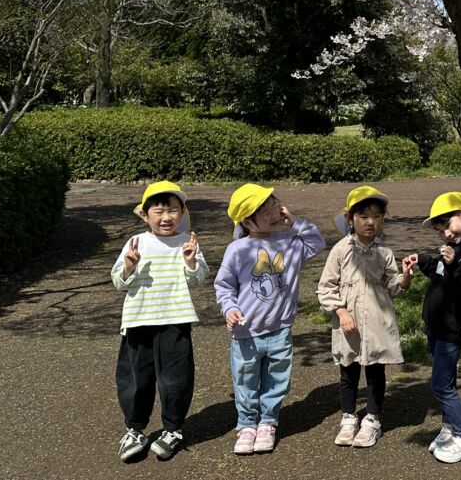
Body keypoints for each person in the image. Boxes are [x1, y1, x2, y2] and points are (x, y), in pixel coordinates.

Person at [214, 184, 325, 456]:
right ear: (246, 221)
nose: (273, 212)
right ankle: (246, 424)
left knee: (277, 378)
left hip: (280, 329)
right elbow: (224, 286)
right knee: (245, 379)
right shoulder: (237, 250)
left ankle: (268, 421)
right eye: (263, 211)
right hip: (245, 331)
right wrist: (229, 309)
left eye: (274, 204)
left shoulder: (289, 243)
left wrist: (295, 221)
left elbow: (316, 243)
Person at [112, 181, 208, 463]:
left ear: (182, 213)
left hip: (175, 321)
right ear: (145, 215)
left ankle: (173, 429)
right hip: (138, 321)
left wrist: (191, 261)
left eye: (173, 211)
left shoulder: (187, 242)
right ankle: (135, 429)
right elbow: (118, 281)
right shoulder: (135, 242)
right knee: (135, 379)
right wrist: (128, 265)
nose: (166, 217)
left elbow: (198, 279)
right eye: (159, 211)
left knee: (176, 379)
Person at [317, 185, 413, 449]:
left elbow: (393, 286)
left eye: (377, 216)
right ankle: (348, 416)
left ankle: (372, 418)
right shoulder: (340, 251)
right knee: (348, 370)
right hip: (348, 324)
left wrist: (404, 278)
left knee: (375, 369)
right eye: (363, 216)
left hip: (377, 321)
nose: (371, 222)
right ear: (350, 219)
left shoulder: (385, 253)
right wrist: (340, 310)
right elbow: (326, 287)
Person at [402, 191, 461, 463]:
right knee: (447, 380)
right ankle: (450, 426)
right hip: (436, 325)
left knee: (441, 385)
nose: (445, 233)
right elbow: (440, 270)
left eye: (447, 223)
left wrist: (451, 264)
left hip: (452, 327)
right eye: (440, 229)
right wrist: (423, 260)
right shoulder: (457, 248)